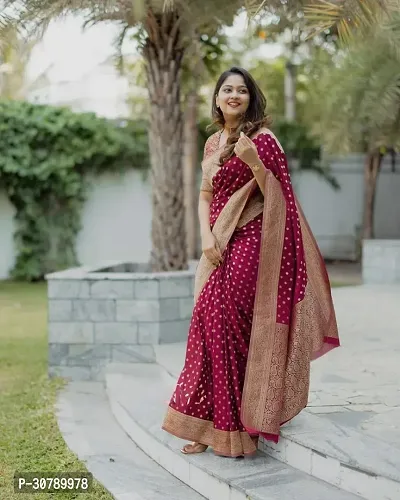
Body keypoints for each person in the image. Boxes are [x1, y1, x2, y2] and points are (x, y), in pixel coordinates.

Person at [162, 67, 340, 457]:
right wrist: (206, 238)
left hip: (253, 240)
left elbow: (280, 196)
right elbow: (204, 197)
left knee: (234, 325)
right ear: (217, 98)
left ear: (250, 98)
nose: (234, 95)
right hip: (218, 243)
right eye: (227, 89)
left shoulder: (263, 140)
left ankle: (245, 422)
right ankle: (208, 424)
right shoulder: (212, 143)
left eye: (242, 90)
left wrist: (254, 162)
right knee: (208, 324)